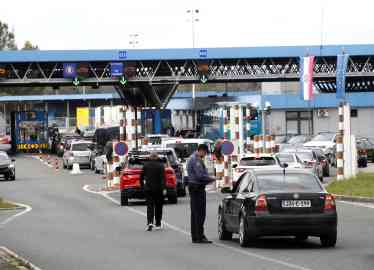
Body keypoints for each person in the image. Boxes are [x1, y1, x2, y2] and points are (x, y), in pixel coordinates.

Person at [187, 144, 215, 244]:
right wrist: (211, 179)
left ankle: (195, 236)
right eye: (205, 153)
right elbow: (199, 176)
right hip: (197, 188)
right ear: (201, 151)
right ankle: (199, 236)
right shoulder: (196, 160)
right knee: (199, 213)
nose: (205, 155)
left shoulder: (193, 158)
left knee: (195, 213)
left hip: (194, 187)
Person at [140, 153, 166, 232]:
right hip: (158, 189)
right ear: (157, 158)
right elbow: (163, 178)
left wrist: (142, 186)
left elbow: (141, 177)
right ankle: (158, 224)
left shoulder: (146, 165)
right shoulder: (161, 166)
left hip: (148, 189)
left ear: (150, 158)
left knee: (150, 206)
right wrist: (164, 188)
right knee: (158, 207)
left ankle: (150, 222)